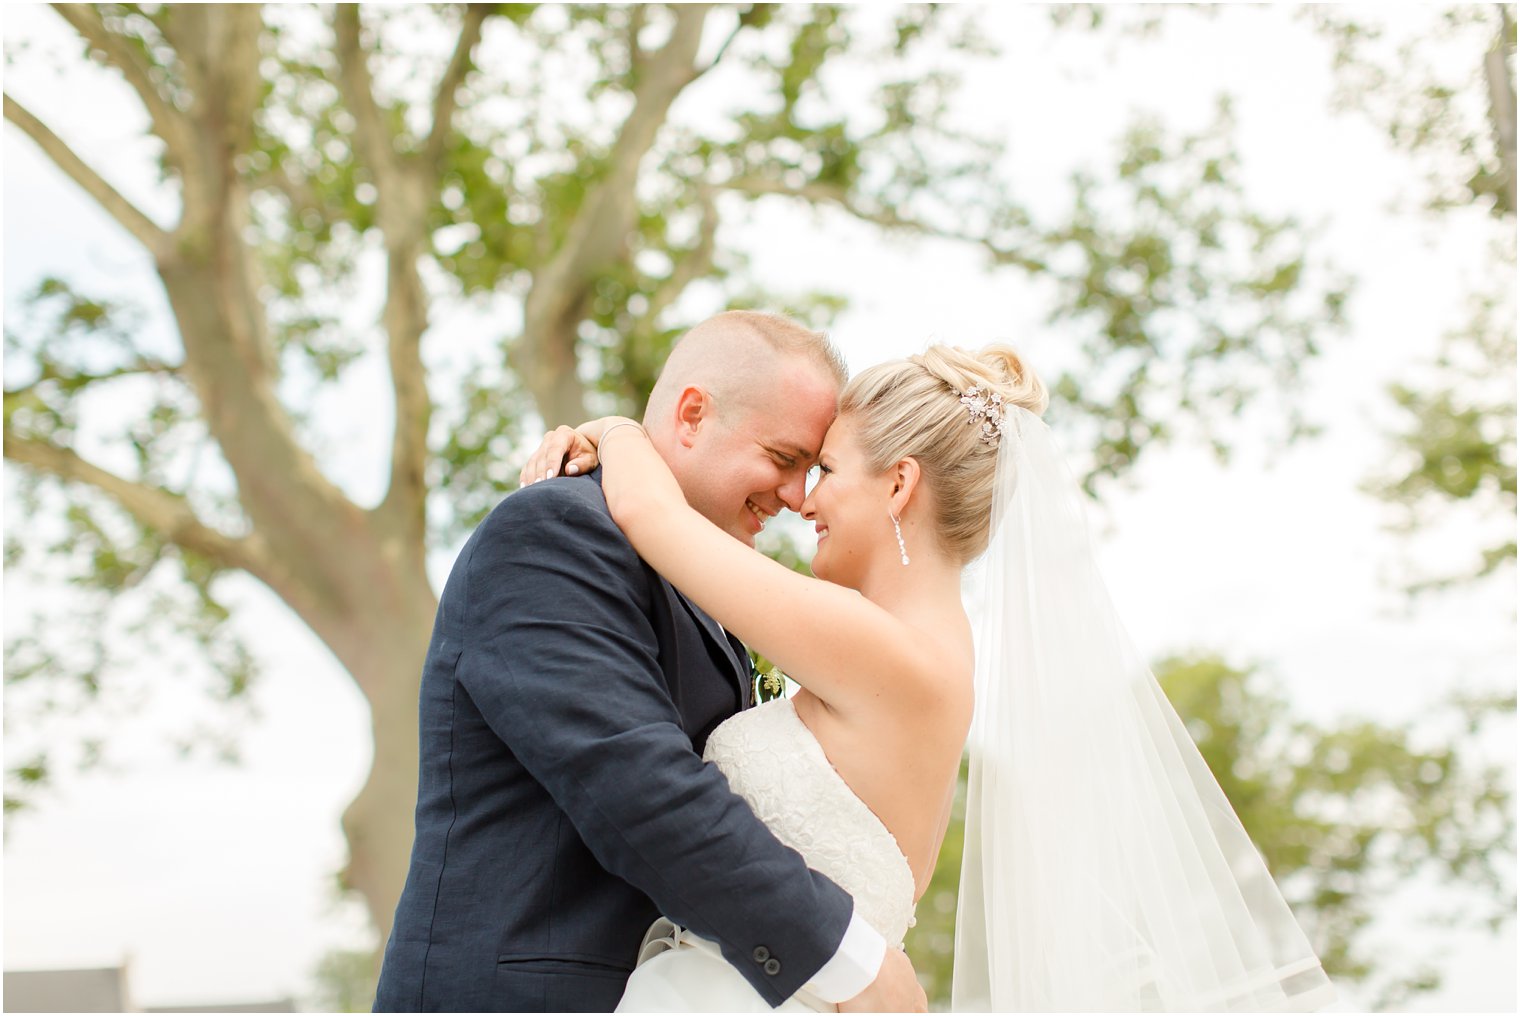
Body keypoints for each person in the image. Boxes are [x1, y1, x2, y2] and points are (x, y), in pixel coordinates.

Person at [523, 341, 1337, 1012]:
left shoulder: (882, 650)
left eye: (828, 471)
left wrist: (621, 432)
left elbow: (652, 518)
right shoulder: (928, 652)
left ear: (901, 484)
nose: (805, 500)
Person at [372, 311, 926, 1013]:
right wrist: (842, 955)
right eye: (784, 459)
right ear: (692, 414)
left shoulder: (704, 584)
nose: (796, 497)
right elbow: (635, 783)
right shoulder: (555, 534)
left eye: (812, 471)